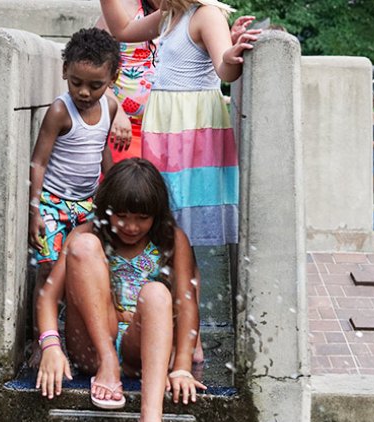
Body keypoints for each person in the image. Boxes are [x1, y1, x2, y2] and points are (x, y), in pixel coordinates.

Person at [35, 159, 205, 422]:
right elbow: (48, 296)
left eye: (141, 218)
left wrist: (182, 366)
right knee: (83, 247)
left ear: (156, 215)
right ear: (106, 209)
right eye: (121, 216)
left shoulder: (172, 239)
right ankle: (108, 363)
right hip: (93, 346)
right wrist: (50, 347)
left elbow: (187, 302)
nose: (130, 227)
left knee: (157, 293)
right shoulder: (89, 231)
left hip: (144, 349)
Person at [99, 0, 257, 248]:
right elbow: (123, 31)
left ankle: (187, 276)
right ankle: (165, 275)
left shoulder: (207, 15)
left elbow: (225, 72)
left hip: (190, 126)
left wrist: (229, 56)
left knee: (187, 212)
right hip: (165, 126)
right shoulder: (169, 15)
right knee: (166, 205)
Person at [29, 27, 128, 298]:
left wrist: (115, 188)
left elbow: (101, 149)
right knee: (48, 269)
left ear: (113, 78)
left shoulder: (109, 107)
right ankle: (42, 338)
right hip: (53, 203)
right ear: (65, 71)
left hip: (88, 204)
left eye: (95, 85)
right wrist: (34, 210)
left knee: (87, 264)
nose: (84, 92)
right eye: (76, 82)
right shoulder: (60, 111)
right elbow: (38, 163)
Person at [96, 0, 159, 162]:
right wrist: (117, 111)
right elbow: (93, 68)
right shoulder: (123, 9)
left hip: (168, 131)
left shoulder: (185, 14)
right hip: (124, 129)